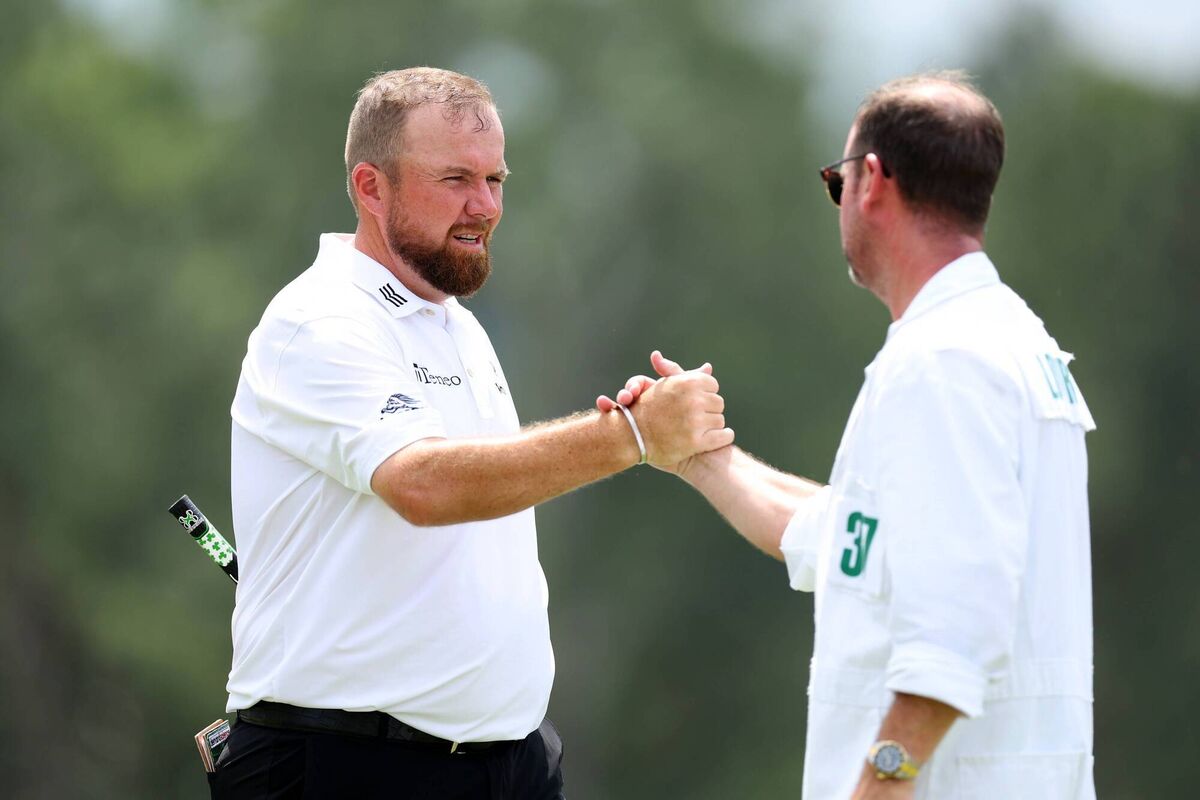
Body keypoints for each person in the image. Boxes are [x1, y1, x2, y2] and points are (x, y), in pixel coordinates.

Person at [215, 67, 733, 799]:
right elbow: (424, 484)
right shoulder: (320, 320)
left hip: (505, 764)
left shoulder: (455, 323)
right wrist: (629, 437)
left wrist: (627, 430)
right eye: (456, 178)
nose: (484, 205)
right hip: (346, 764)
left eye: (495, 179)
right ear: (371, 187)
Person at [601, 72, 1096, 799]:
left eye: (837, 181)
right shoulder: (1008, 340)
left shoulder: (942, 365)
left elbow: (950, 645)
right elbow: (846, 541)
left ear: (872, 181)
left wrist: (875, 790)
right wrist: (703, 458)